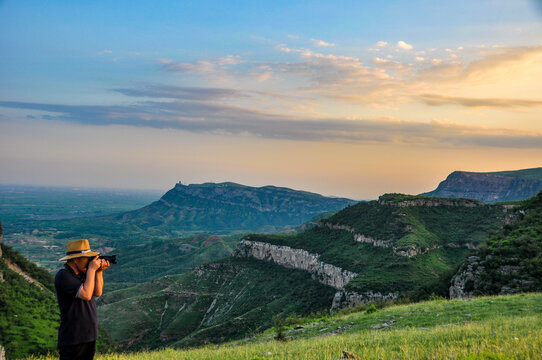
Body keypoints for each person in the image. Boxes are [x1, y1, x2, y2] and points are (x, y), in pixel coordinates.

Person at [54, 239, 110, 360]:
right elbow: (86, 294)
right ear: (75, 259)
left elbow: (97, 292)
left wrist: (99, 272)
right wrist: (91, 270)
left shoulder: (82, 274)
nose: (89, 261)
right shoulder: (63, 276)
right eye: (86, 258)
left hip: (89, 336)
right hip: (73, 338)